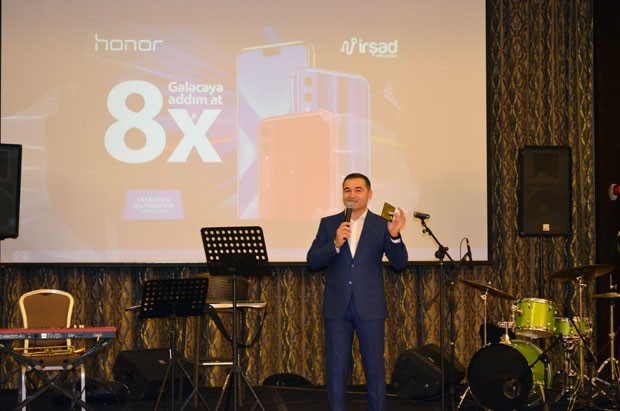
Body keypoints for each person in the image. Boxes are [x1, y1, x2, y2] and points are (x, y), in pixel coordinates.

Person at [307, 172, 408, 411]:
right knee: (336, 368)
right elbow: (312, 260)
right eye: (347, 190)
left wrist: (394, 236)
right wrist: (334, 244)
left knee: (374, 368)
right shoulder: (329, 223)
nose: (352, 194)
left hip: (370, 307)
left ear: (370, 194)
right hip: (337, 307)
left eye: (358, 190)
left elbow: (400, 263)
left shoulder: (381, 224)